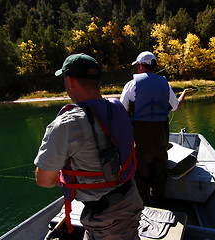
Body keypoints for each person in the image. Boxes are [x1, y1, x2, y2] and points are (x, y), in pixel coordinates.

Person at [34, 53, 143, 240]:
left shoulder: (66, 125)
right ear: (97, 81)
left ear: (70, 81)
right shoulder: (118, 109)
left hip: (106, 218)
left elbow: (44, 180)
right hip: (130, 198)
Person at [120, 51, 192, 205]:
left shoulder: (131, 85)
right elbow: (176, 106)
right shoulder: (164, 84)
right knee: (159, 174)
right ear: (154, 66)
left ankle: (143, 207)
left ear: (140, 66)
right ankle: (158, 203)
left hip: (140, 143)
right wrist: (184, 93)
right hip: (161, 140)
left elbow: (121, 110)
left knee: (140, 176)